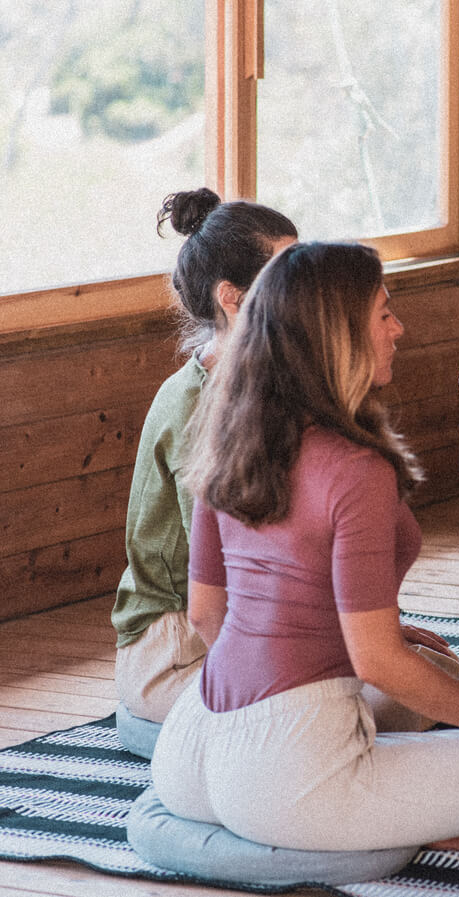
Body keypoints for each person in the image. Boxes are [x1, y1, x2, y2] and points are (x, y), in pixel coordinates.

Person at [151, 242, 459, 854]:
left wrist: (274, 695)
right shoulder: (355, 469)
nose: (398, 328)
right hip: (286, 775)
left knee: (429, 686)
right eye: (384, 313)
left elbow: (207, 614)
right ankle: (390, 827)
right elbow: (377, 662)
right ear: (339, 337)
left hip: (192, 747)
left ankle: (370, 810)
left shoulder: (228, 438)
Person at [112, 189, 297, 728]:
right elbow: (230, 577)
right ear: (233, 299)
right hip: (177, 648)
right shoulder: (198, 404)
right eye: (289, 277)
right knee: (369, 698)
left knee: (429, 672)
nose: (307, 291)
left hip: (244, 625)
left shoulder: (265, 383)